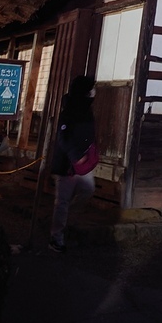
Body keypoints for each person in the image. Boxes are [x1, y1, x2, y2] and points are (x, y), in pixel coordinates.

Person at [49, 74, 97, 253]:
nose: (93, 92)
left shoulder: (87, 110)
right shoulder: (69, 111)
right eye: (90, 89)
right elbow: (63, 138)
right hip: (67, 164)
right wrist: (76, 155)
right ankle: (56, 238)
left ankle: (66, 220)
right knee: (62, 202)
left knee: (88, 190)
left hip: (82, 163)